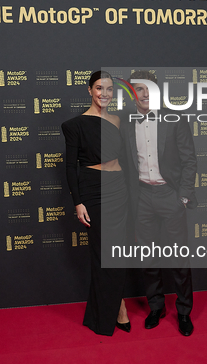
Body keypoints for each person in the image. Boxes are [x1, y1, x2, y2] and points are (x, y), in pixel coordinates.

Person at [120, 70, 197, 336]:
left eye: (149, 89)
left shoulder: (175, 120)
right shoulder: (127, 124)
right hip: (142, 198)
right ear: (132, 94)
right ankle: (156, 307)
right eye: (138, 89)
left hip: (169, 196)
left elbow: (189, 161)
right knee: (148, 258)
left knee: (178, 259)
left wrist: (183, 198)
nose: (143, 95)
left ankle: (184, 311)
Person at [61, 71, 130, 336]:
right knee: (103, 253)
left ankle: (115, 304)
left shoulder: (117, 120)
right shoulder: (74, 125)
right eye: (99, 88)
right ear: (89, 90)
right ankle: (118, 309)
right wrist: (78, 202)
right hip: (94, 191)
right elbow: (70, 167)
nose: (104, 94)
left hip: (119, 189)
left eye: (110, 89)